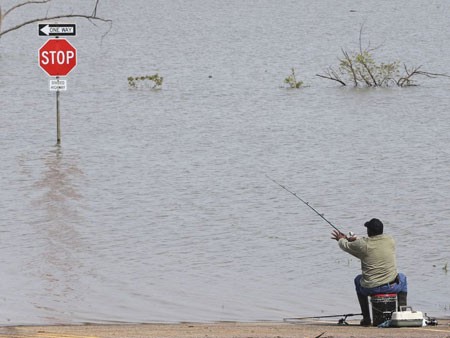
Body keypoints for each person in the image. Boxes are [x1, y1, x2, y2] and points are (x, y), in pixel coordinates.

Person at [331, 218, 408, 326]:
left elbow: (346, 246)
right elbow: (367, 246)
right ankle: (403, 315)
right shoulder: (390, 240)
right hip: (392, 286)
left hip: (371, 288)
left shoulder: (364, 245)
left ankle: (366, 318)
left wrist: (341, 239)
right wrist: (355, 240)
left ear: (370, 232)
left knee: (358, 280)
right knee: (402, 277)